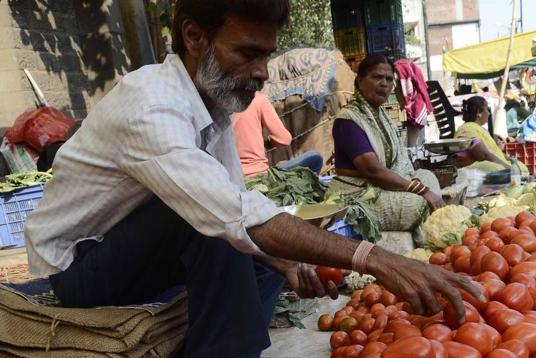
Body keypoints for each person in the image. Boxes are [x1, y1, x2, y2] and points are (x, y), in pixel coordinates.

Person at [23, 2, 482, 357]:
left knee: (263, 250)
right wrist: (374, 258)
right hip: (76, 270)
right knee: (214, 226)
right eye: (247, 53)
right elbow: (229, 213)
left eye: (266, 55)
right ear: (194, 36)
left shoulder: (214, 105)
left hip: (134, 250)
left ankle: (234, 345)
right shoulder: (151, 106)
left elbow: (238, 201)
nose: (262, 72)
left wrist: (284, 262)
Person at [327, 55, 445, 234]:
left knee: (427, 176)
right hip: (359, 195)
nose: (384, 83)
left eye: (389, 79)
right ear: (359, 81)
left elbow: (396, 164)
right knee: (419, 202)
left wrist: (418, 184)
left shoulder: (382, 116)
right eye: (377, 77)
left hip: (380, 187)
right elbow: (373, 171)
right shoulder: (347, 120)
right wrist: (422, 191)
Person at [232, 91, 323, 176]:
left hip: (230, 176)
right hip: (259, 175)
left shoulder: (219, 104)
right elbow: (284, 139)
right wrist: (268, 142)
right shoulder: (256, 98)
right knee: (315, 158)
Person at [455, 96, 529, 175]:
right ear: (479, 113)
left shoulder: (478, 128)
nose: (489, 113)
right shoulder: (467, 129)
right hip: (472, 170)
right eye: (487, 109)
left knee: (520, 166)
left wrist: (508, 158)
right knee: (499, 169)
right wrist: (508, 168)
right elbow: (484, 155)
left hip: (488, 163)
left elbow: (490, 151)